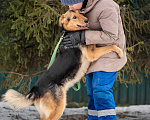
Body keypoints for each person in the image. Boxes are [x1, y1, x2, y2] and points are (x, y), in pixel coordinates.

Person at [60, 0, 127, 119]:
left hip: (109, 53)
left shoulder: (106, 7)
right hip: (91, 54)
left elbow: (112, 36)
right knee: (92, 93)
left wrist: (82, 36)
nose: (70, 8)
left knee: (100, 90)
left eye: (72, 4)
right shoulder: (81, 8)